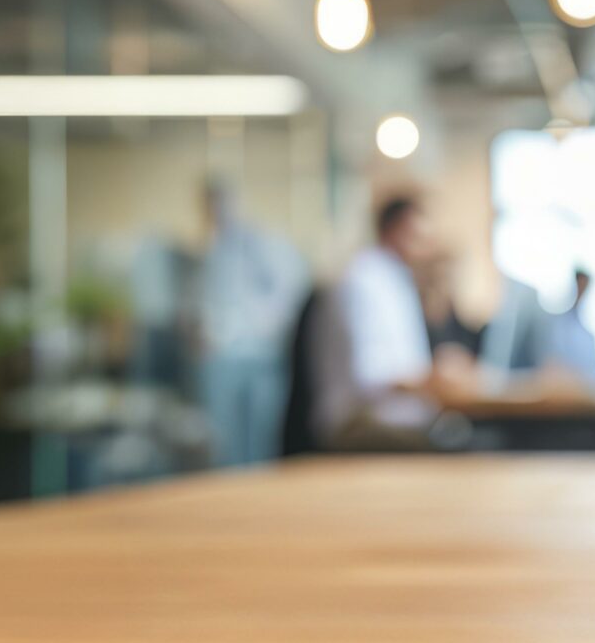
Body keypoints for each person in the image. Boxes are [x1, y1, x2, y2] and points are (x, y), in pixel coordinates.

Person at [316, 195, 453, 450]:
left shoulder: (394, 280)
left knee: (461, 439)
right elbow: (370, 377)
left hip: (397, 421)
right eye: (418, 238)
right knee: (451, 451)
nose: (427, 248)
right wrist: (432, 380)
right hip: (359, 424)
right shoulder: (363, 281)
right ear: (395, 232)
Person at [193, 181, 307, 466]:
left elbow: (287, 292)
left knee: (261, 442)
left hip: (260, 356)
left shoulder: (260, 243)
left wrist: (261, 330)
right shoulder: (214, 250)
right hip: (225, 358)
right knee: (226, 444)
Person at [543, 267, 595, 394]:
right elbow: (551, 366)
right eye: (579, 284)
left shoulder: (588, 336)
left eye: (585, 286)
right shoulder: (553, 325)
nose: (581, 290)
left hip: (584, 400)